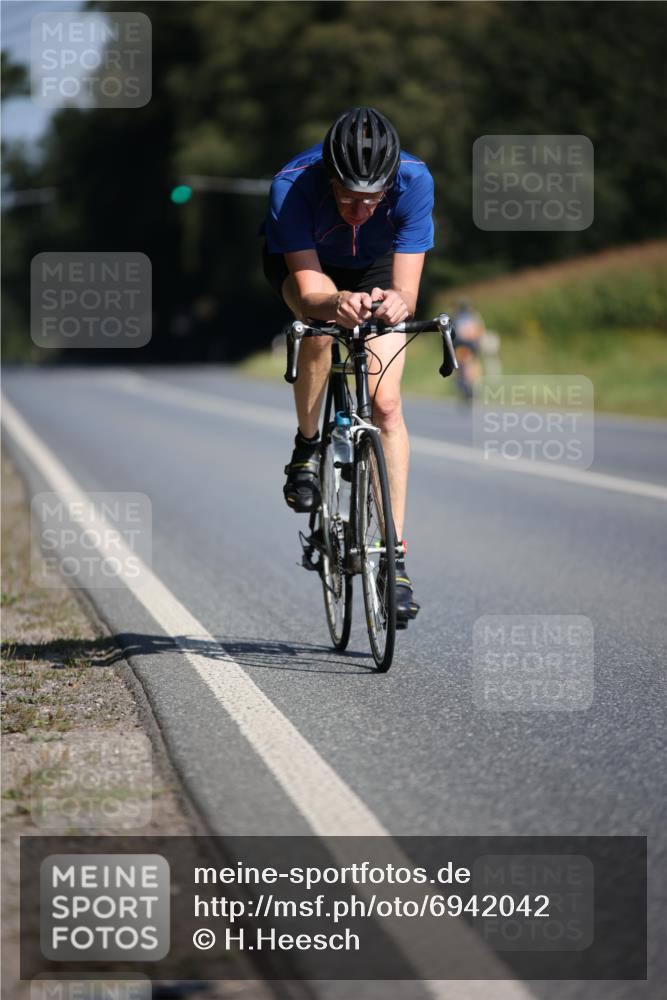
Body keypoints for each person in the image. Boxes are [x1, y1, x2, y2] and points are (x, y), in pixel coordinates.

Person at [260, 106, 435, 624]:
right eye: (346, 199)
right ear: (329, 179)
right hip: (312, 264)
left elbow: (406, 288)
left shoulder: (415, 181)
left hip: (379, 265)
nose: (358, 211)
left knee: (387, 405)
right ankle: (308, 444)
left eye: (371, 201)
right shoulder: (291, 188)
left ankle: (394, 560)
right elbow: (314, 293)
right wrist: (335, 305)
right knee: (318, 331)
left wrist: (398, 303)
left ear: (389, 184)